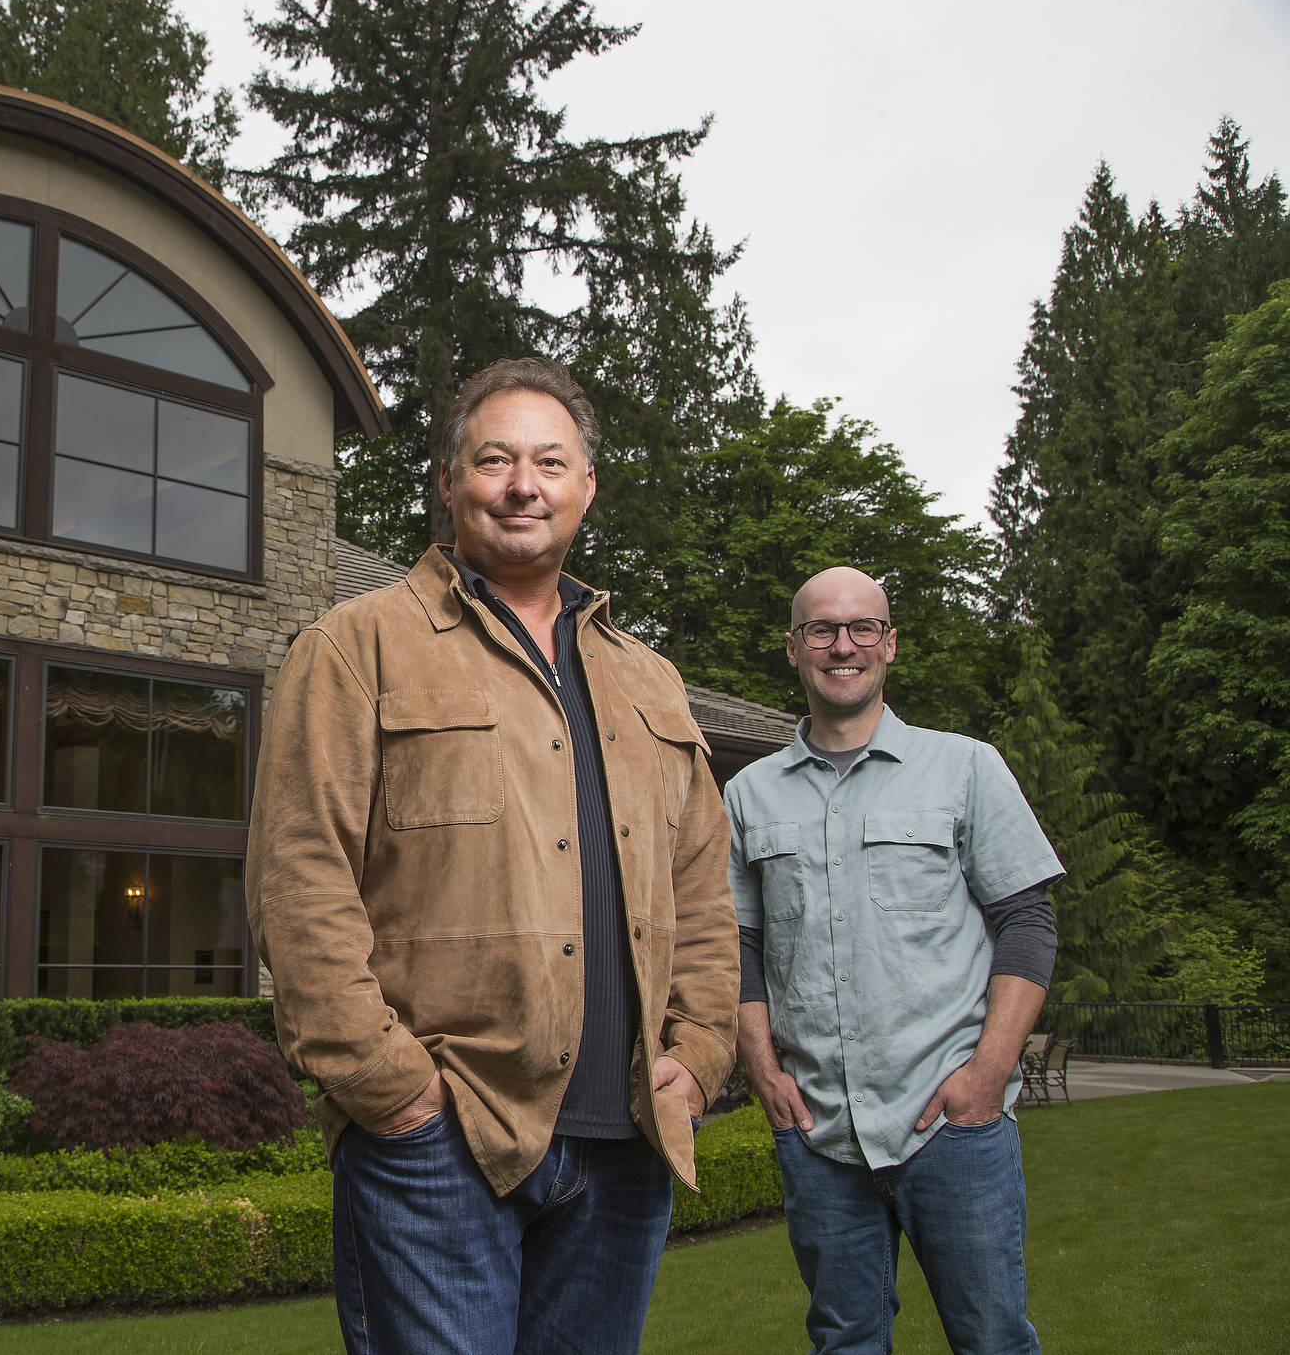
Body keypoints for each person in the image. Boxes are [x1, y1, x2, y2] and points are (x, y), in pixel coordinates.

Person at [246, 357, 738, 1354]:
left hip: (627, 1144)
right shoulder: (354, 647)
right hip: (440, 1145)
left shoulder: (650, 680)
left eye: (549, 462)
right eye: (495, 459)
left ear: (584, 486)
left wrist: (698, 1052)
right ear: (446, 479)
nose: (523, 484)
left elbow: (700, 893)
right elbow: (302, 882)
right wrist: (393, 1094)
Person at [726, 566, 1063, 1355]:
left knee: (992, 1338)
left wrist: (988, 1073)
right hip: (817, 1130)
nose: (843, 645)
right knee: (844, 1339)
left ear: (890, 644)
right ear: (793, 647)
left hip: (951, 1124)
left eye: (862, 627)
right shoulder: (747, 795)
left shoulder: (967, 767)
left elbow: (1026, 922)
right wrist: (762, 1069)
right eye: (822, 630)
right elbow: (735, 944)